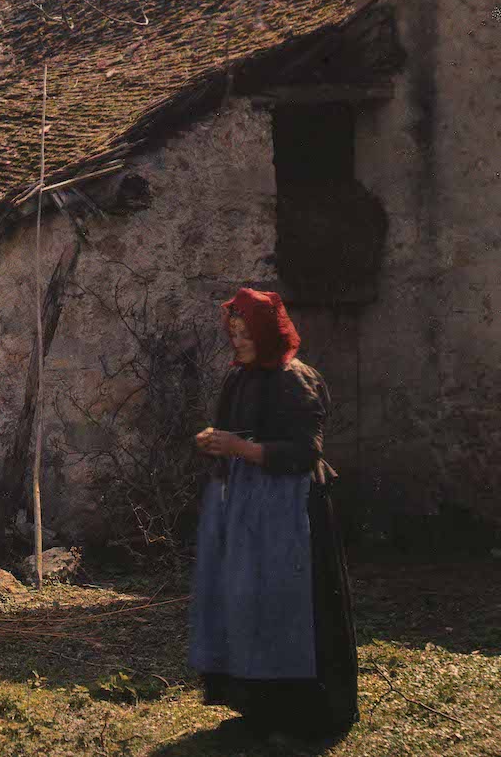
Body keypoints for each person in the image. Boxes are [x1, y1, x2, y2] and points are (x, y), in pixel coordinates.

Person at [188, 287, 358, 741]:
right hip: (247, 506)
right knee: (248, 601)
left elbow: (305, 452)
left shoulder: (295, 378)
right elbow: (234, 431)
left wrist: (240, 447)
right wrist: (215, 441)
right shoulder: (240, 377)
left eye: (246, 333)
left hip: (290, 511)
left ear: (268, 332)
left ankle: (304, 714)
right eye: (234, 331)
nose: (237, 340)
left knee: (287, 604)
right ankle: (257, 707)